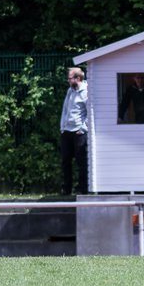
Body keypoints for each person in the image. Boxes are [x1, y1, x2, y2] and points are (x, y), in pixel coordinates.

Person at [59, 66, 89, 195]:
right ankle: (67, 189)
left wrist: (83, 128)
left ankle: (83, 189)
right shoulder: (70, 91)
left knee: (81, 161)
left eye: (70, 78)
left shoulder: (86, 91)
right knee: (66, 160)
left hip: (79, 131)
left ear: (78, 78)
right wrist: (62, 127)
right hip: (67, 131)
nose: (68, 80)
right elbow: (65, 109)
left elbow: (90, 112)